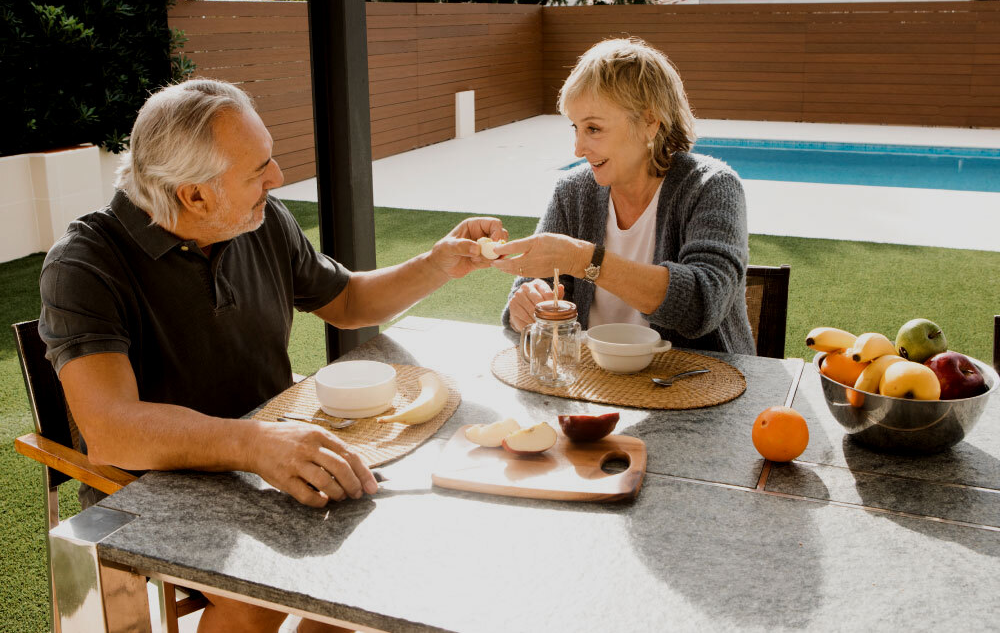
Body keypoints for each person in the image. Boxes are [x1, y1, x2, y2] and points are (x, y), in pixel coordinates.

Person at [38, 78, 507, 633]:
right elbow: (114, 430)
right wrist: (254, 444)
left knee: (372, 568)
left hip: (268, 460)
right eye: (258, 169)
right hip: (155, 488)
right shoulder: (84, 265)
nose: (277, 178)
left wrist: (436, 264)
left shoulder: (255, 220)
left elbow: (349, 301)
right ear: (194, 195)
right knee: (257, 597)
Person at [493, 38, 754, 355]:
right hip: (593, 382)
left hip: (698, 383)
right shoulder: (571, 192)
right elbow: (527, 302)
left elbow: (703, 304)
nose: (577, 149)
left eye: (593, 129)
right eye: (575, 127)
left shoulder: (711, 187)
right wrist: (525, 308)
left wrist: (584, 259)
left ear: (649, 123)